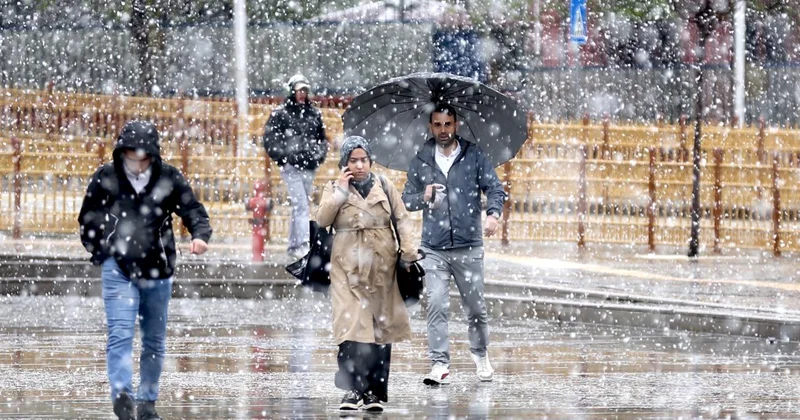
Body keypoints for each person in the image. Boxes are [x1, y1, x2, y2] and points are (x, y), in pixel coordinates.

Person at [78, 120, 212, 420]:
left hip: (158, 269)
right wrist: (100, 250)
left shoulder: (168, 177)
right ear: (121, 153)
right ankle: (122, 395)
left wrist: (200, 235)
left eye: (143, 159)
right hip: (119, 267)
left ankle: (147, 402)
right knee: (120, 332)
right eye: (130, 158)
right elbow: (88, 218)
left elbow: (192, 209)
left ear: (153, 155)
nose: (136, 165)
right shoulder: (107, 177)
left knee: (153, 339)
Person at [402, 103, 506, 385]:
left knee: (475, 307)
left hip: (468, 246)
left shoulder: (473, 155)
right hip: (433, 248)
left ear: (456, 125)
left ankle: (480, 354)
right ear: (430, 126)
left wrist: (493, 214)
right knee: (436, 304)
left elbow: (495, 188)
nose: (443, 130)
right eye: (437, 125)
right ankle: (439, 364)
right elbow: (406, 200)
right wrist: (423, 196)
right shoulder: (422, 158)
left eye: (448, 124)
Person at [316, 135, 419, 412]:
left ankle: (373, 392)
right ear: (345, 163)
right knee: (349, 327)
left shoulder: (384, 185)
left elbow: (401, 219)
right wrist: (340, 192)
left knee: (379, 330)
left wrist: (409, 252)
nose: (359, 165)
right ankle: (351, 389)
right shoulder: (333, 187)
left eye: (363, 160)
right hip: (346, 268)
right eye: (353, 160)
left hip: (381, 267)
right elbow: (322, 220)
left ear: (371, 161)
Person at [263, 74, 329, 259]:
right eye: (299, 90)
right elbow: (270, 139)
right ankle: (302, 245)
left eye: (304, 90)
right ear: (292, 91)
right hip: (292, 167)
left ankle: (294, 246)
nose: (302, 94)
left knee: (300, 205)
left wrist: (317, 157)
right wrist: (284, 159)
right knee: (301, 206)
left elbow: (322, 139)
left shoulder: (314, 114)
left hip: (308, 166)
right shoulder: (281, 114)